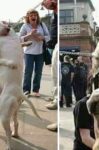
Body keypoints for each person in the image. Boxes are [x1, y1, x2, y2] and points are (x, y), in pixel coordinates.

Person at [19, 9, 50, 97]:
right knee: (28, 72)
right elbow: (19, 38)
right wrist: (30, 35)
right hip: (28, 52)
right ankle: (26, 90)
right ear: (28, 17)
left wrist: (41, 37)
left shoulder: (42, 25)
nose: (33, 17)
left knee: (38, 72)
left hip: (40, 52)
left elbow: (48, 37)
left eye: (35, 15)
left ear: (37, 17)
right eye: (31, 15)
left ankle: (36, 90)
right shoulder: (25, 26)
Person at [42, 0, 58, 132]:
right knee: (55, 77)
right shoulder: (55, 12)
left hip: (58, 44)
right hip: (55, 45)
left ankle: (59, 122)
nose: (44, 5)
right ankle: (56, 98)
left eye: (45, 3)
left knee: (58, 78)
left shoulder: (58, 8)